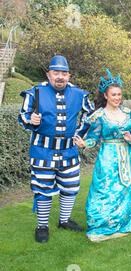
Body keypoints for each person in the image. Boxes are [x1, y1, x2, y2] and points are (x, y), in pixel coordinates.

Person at [18, 55, 95, 243]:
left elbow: (91, 115)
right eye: (56, 73)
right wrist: (30, 120)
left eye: (64, 73)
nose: (60, 77)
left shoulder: (79, 94)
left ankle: (64, 220)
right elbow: (23, 116)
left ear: (69, 75)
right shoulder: (35, 92)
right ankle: (42, 226)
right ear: (49, 74)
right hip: (42, 152)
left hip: (69, 152)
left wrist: (80, 133)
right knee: (43, 189)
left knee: (70, 187)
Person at [74, 69, 131, 242]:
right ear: (105, 95)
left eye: (119, 94)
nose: (117, 98)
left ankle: (124, 224)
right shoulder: (99, 116)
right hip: (107, 157)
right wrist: (84, 143)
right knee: (104, 189)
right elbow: (94, 139)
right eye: (113, 94)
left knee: (124, 190)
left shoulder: (129, 114)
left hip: (125, 156)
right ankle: (101, 226)